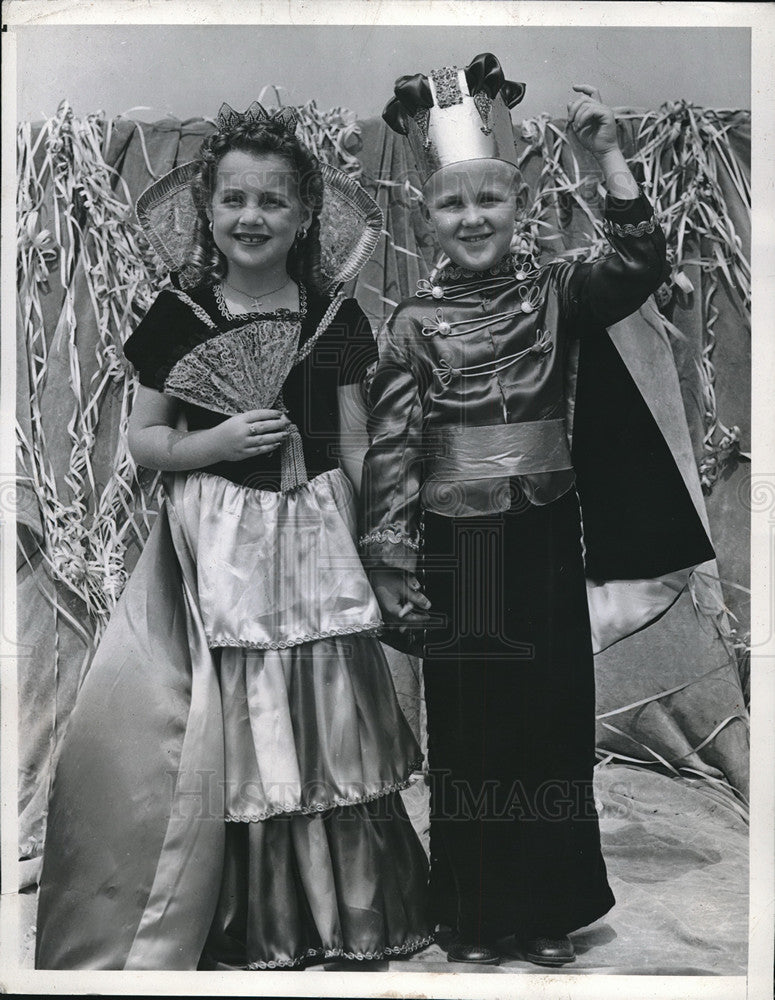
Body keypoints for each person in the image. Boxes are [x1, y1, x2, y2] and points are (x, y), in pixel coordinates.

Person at [35, 102, 431, 971]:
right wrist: (210, 444)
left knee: (329, 714)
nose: (251, 217)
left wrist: (382, 538)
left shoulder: (332, 312)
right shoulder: (179, 314)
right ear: (207, 210)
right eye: (234, 200)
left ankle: (344, 915)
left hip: (317, 532)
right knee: (239, 714)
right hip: (217, 536)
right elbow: (144, 440)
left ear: (303, 217)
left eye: (273, 202)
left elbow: (357, 438)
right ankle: (243, 913)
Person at [360, 54, 715, 967]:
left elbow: (638, 264)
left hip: (546, 533)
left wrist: (611, 159)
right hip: (459, 546)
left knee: (551, 721)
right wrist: (394, 570)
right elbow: (394, 454)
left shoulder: (556, 292)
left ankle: (549, 908)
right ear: (424, 218)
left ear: (518, 206)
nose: (471, 219)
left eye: (489, 201)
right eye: (451, 205)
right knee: (472, 726)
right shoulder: (409, 323)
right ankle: (476, 913)